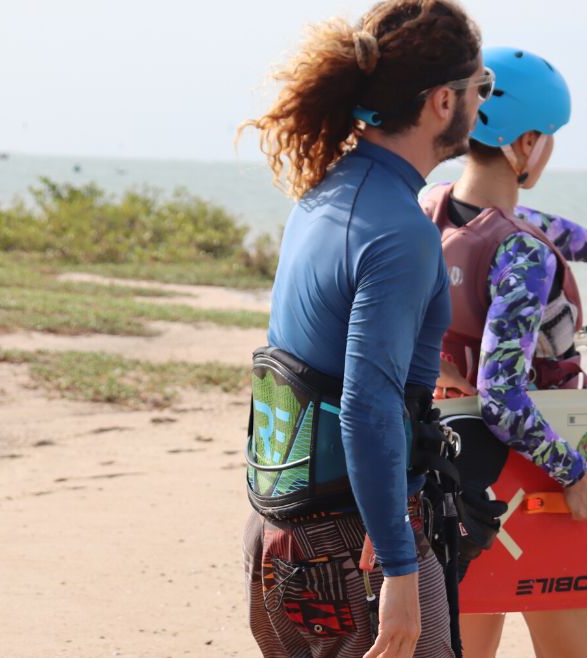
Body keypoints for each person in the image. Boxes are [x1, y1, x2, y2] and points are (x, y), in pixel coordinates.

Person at [239, 2, 486, 657]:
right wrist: (402, 571)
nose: (479, 106)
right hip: (358, 543)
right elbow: (366, 408)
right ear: (441, 101)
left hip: (274, 532)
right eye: (478, 89)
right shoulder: (400, 232)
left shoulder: (322, 195)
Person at [420, 47, 587, 658]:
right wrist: (577, 475)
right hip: (534, 477)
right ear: (525, 143)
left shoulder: (430, 208)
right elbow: (503, 399)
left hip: (449, 470)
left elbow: (543, 229)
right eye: (549, 137)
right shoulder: (519, 251)